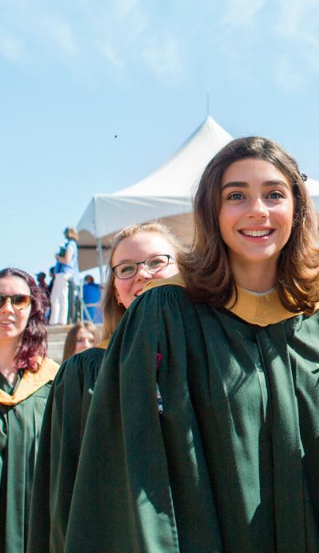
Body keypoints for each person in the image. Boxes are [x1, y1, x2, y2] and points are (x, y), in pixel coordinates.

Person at [62, 137, 319, 552]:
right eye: (236, 196)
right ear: (213, 211)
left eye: (274, 194)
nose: (257, 210)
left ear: (297, 208)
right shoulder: (165, 312)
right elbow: (132, 462)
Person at [27, 222, 183, 552]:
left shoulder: (217, 355)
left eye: (157, 262)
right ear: (115, 290)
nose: (142, 274)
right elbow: (64, 490)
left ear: (182, 271)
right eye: (127, 268)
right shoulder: (84, 373)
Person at [0, 268, 58, 552]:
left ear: (32, 308)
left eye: (18, 300)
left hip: (37, 525)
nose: (7, 309)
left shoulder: (51, 380)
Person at [48, 227, 79, 325]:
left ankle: (57, 320)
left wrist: (57, 257)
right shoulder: (73, 244)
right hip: (66, 273)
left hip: (63, 273)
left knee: (57, 297)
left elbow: (66, 260)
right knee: (61, 297)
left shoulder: (70, 244)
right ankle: (59, 320)